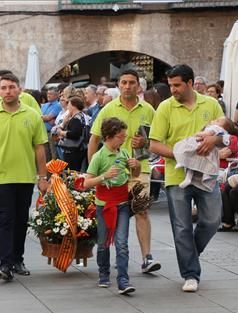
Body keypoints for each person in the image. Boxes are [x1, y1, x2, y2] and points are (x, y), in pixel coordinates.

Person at [149, 64, 225, 292]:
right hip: (176, 174)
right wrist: (182, 155)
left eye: (177, 85)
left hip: (208, 174)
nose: (173, 89)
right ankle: (191, 274)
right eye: (171, 85)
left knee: (213, 220)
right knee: (181, 227)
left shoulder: (210, 104)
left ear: (190, 83)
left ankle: (190, 252)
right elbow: (154, 143)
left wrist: (215, 140)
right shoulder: (165, 107)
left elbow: (224, 133)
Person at [0, 73, 48, 281]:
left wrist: (42, 176)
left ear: (19, 89)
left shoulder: (32, 115)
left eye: (11, 87)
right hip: (0, 177)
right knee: (6, 219)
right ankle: (6, 264)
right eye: (3, 88)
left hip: (25, 176)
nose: (7, 91)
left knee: (21, 220)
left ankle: (18, 258)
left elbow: (40, 149)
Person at [89, 69, 160, 274]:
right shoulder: (108, 109)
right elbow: (94, 139)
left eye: (131, 83)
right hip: (112, 171)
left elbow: (156, 141)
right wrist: (93, 172)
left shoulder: (148, 110)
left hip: (139, 168)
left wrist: (145, 143)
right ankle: (110, 256)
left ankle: (147, 257)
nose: (127, 86)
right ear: (118, 85)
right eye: (124, 82)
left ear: (138, 86)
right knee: (111, 214)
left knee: (141, 210)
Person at [83, 117, 141, 294]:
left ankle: (123, 279)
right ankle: (104, 273)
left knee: (121, 242)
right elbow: (86, 183)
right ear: (108, 137)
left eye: (124, 136)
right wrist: (104, 177)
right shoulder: (98, 157)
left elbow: (134, 174)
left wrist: (136, 166)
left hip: (122, 203)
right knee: (103, 242)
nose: (123, 140)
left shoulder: (123, 153)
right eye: (120, 137)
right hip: (104, 205)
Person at [55, 96, 86, 171]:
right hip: (74, 150)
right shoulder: (78, 116)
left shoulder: (77, 118)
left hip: (74, 151)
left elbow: (75, 134)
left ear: (73, 106)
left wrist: (62, 132)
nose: (67, 107)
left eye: (68, 104)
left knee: (72, 172)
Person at [41, 87, 62, 161]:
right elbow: (41, 117)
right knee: (46, 154)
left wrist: (46, 118)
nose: (48, 95)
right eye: (48, 93)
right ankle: (47, 171)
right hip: (43, 133)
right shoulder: (45, 105)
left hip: (52, 133)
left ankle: (54, 171)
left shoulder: (58, 105)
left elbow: (48, 118)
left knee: (53, 154)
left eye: (51, 94)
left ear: (56, 95)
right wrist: (46, 118)